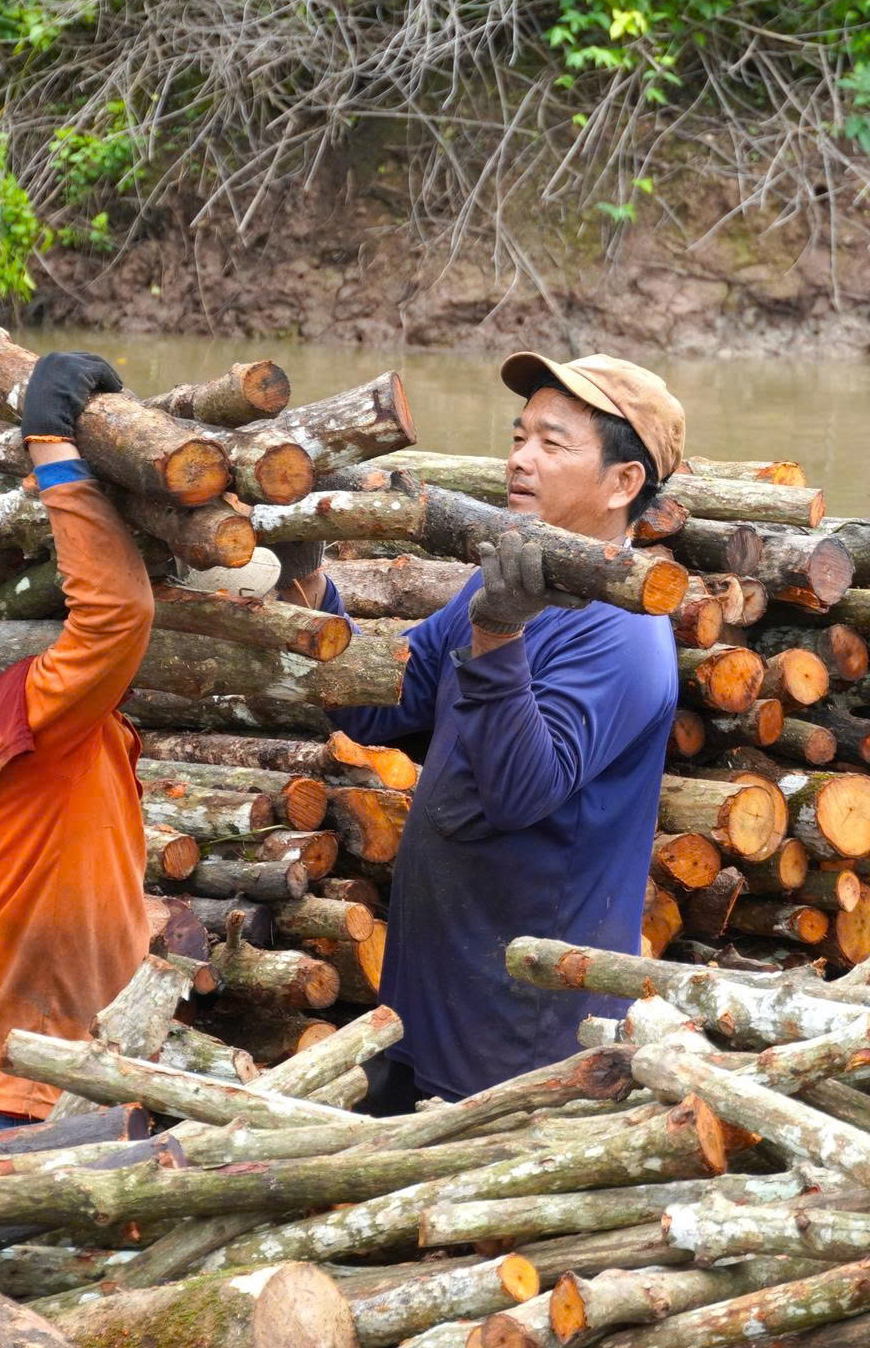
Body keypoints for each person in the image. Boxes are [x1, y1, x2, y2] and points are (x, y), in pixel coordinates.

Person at [276, 353, 685, 1110]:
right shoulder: (503, 580)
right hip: (432, 999)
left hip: (525, 1036)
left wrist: (499, 633)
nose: (520, 458)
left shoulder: (623, 635)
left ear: (624, 484)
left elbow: (518, 792)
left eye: (552, 443)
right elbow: (384, 700)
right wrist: (307, 582)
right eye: (519, 434)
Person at [0, 352, 156, 1134]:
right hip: (3, 1099)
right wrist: (52, 441)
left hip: (44, 1085)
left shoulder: (37, 710)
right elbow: (118, 612)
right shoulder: (26, 714)